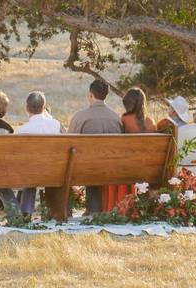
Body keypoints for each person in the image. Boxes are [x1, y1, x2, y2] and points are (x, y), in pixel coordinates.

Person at [68, 80, 123, 215]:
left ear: (90, 95)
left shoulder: (80, 116)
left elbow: (68, 142)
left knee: (90, 162)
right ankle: (100, 207)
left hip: (87, 167)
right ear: (106, 96)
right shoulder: (116, 118)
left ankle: (92, 208)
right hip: (112, 166)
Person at [16, 91, 62, 215]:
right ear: (44, 107)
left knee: (30, 170)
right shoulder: (55, 125)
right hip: (52, 170)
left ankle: (26, 211)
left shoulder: (22, 130)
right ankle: (53, 210)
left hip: (30, 172)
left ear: (26, 108)